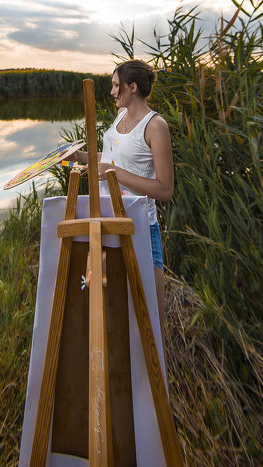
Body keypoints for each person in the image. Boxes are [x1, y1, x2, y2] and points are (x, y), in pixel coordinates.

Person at [72, 59, 174, 353]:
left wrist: (112, 173)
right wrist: (81, 157)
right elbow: (114, 157)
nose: (112, 91)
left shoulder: (156, 126)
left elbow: (165, 189)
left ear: (133, 87)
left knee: (151, 321)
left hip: (141, 229)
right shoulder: (119, 119)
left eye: (117, 85)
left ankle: (156, 391)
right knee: (115, 313)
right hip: (106, 223)